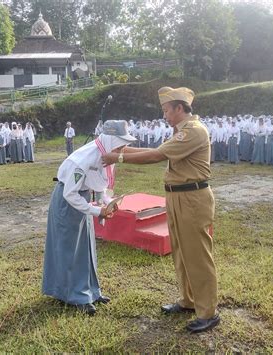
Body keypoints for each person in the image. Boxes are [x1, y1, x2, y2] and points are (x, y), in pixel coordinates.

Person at [101, 87, 219, 333]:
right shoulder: (181, 131)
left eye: (166, 110)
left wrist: (118, 158)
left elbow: (156, 155)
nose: (164, 115)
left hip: (192, 198)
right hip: (177, 197)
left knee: (197, 254)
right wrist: (118, 149)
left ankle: (208, 312)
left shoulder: (193, 132)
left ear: (179, 108)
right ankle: (188, 301)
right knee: (181, 252)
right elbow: (154, 151)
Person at [42, 120, 137, 316]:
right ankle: (72, 295)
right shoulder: (84, 158)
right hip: (68, 203)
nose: (123, 149)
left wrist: (107, 201)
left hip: (82, 199)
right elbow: (70, 193)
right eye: (121, 144)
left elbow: (99, 184)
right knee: (69, 249)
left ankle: (90, 292)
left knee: (85, 247)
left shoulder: (105, 156)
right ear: (111, 141)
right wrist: (97, 211)